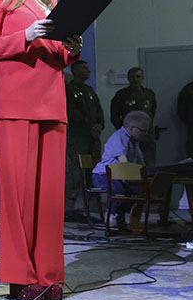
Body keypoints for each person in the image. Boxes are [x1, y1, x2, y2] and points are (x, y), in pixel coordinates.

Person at [0, 0, 83, 300]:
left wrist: (72, 49)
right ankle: (21, 278)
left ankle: (49, 276)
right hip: (16, 102)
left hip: (52, 100)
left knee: (50, 197)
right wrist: (25, 35)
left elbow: (61, 54)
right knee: (18, 195)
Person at [93, 110, 150, 230]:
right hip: (104, 175)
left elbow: (140, 161)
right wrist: (129, 178)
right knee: (117, 189)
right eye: (143, 131)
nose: (145, 134)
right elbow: (123, 162)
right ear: (132, 128)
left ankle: (125, 218)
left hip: (121, 175)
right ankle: (110, 215)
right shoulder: (119, 137)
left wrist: (145, 177)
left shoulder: (134, 142)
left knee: (138, 191)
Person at [65, 60, 104, 219]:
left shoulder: (89, 91)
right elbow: (72, 112)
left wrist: (99, 125)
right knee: (76, 173)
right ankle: (68, 209)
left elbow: (99, 111)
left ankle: (93, 209)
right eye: (85, 68)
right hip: (78, 138)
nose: (88, 71)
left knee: (93, 172)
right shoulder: (69, 90)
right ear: (75, 71)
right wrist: (90, 126)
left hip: (92, 140)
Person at [109, 67, 157, 166]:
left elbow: (152, 112)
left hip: (147, 137)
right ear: (128, 78)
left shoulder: (149, 94)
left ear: (142, 78)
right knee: (131, 165)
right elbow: (114, 116)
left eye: (138, 76)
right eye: (132, 77)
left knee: (149, 164)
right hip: (129, 137)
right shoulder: (121, 95)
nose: (135, 79)